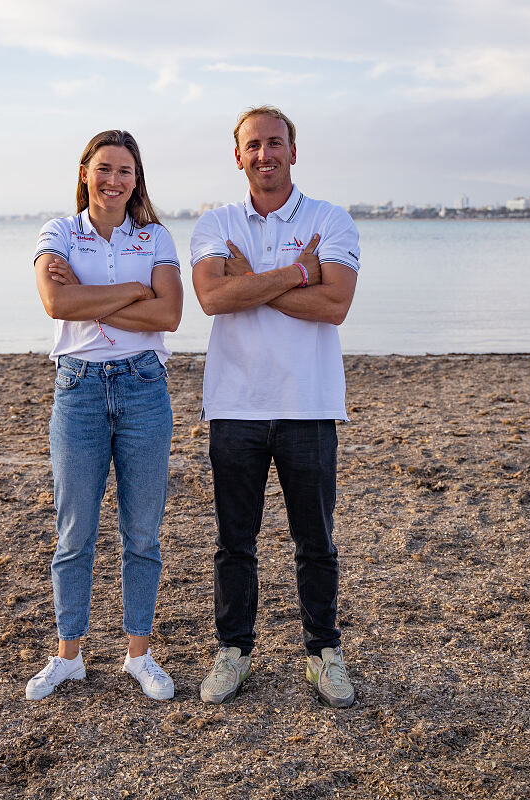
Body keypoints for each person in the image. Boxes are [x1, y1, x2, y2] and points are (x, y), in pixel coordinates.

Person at [189, 106, 361, 708]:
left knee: (316, 541)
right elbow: (212, 298)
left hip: (308, 406)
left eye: (275, 143)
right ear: (238, 156)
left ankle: (323, 654)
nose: (265, 154)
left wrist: (254, 283)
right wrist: (297, 273)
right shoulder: (215, 222)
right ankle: (233, 652)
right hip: (234, 406)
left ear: (294, 149)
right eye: (253, 145)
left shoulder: (330, 219)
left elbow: (334, 306)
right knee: (235, 541)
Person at [28, 130, 183, 701]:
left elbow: (169, 315)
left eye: (125, 171)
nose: (114, 180)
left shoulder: (155, 236)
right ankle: (68, 655)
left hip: (144, 387)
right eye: (104, 169)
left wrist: (100, 294)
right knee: (75, 533)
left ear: (136, 179)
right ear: (85, 173)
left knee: (142, 533)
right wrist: (133, 290)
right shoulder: (59, 232)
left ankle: (138, 655)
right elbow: (57, 304)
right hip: (80, 389)